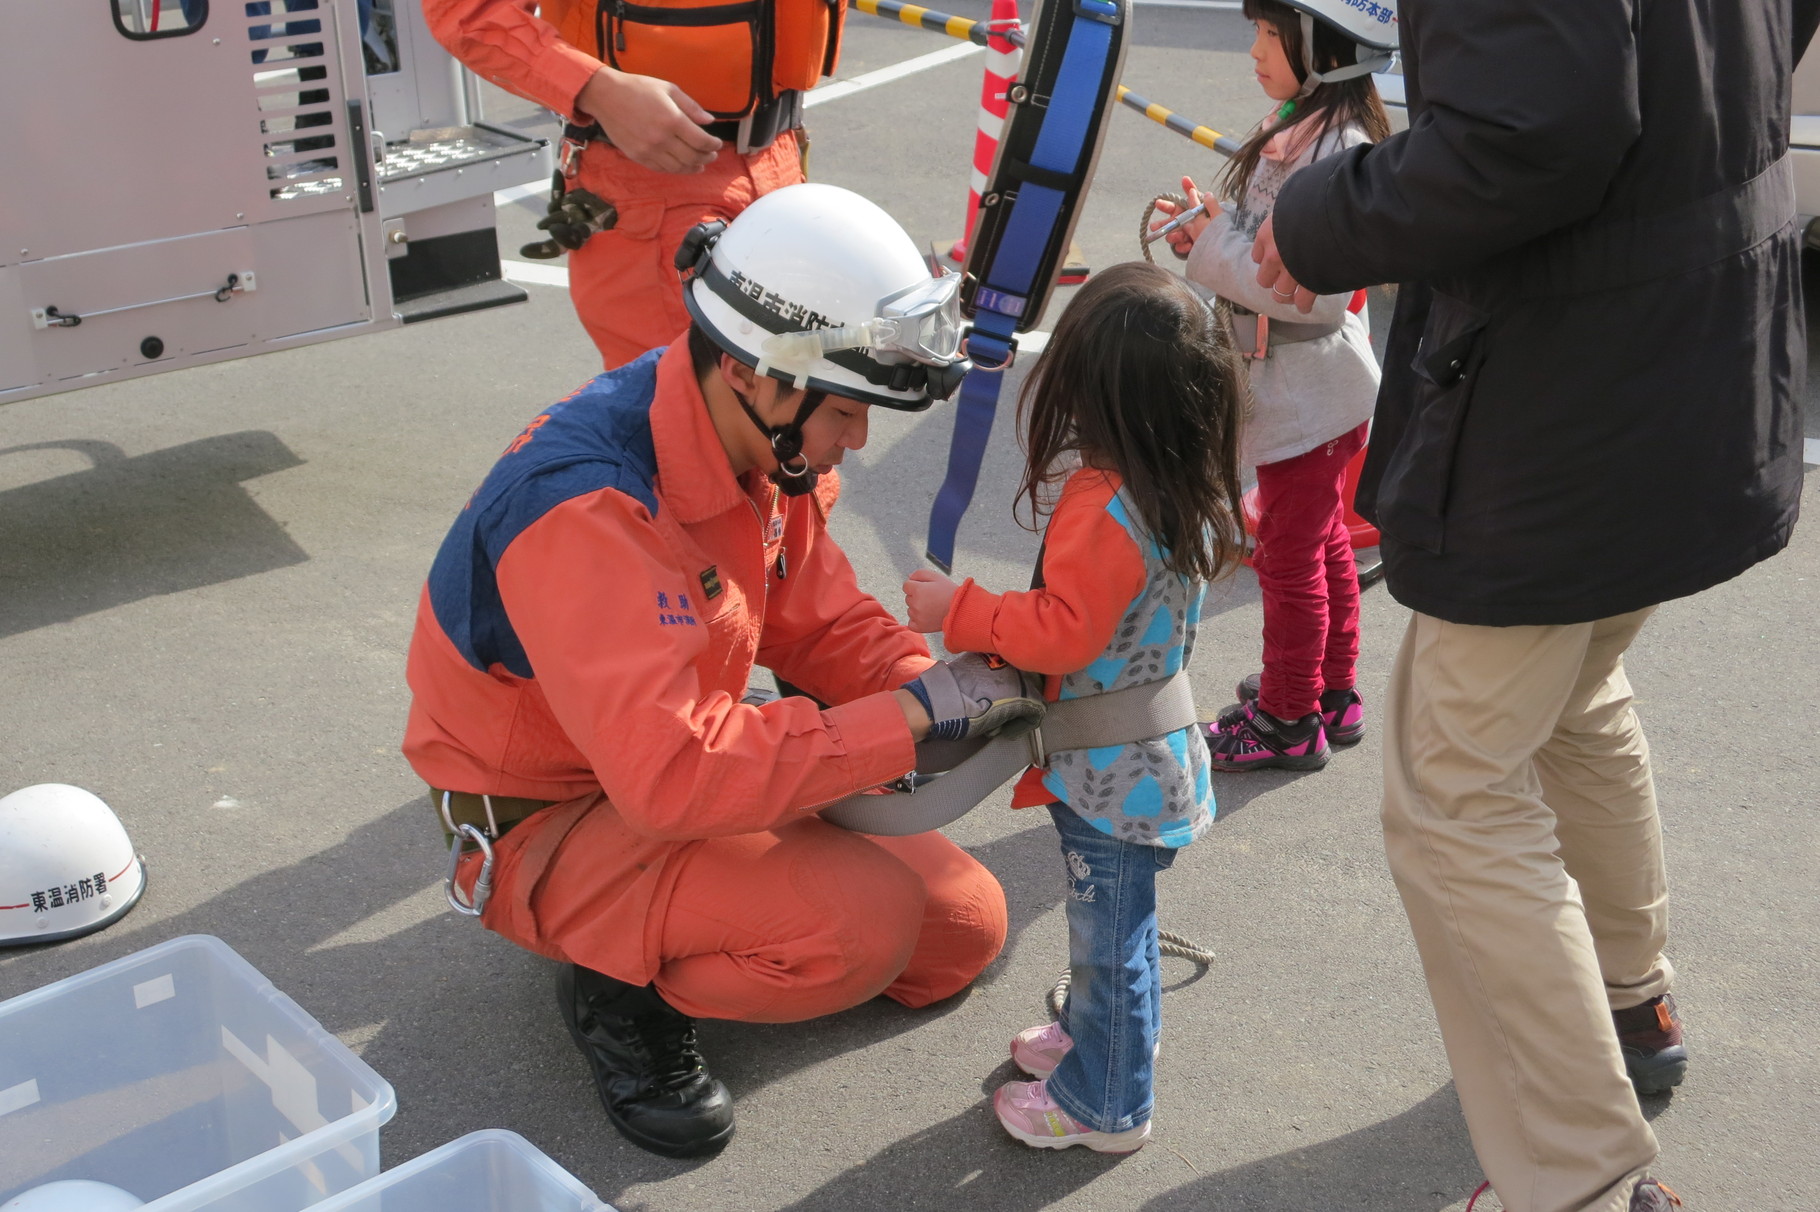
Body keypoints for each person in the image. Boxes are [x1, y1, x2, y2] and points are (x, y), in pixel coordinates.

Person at [1253, 1, 1818, 1208]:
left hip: (1568, 397)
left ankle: (1577, 1179)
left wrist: (1317, 215)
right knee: (1574, 694)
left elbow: (1527, 138)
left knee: (1452, 791)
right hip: (1700, 338)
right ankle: (1628, 997)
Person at [403, 183, 1039, 1158]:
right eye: (847, 409)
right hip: (553, 813)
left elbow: (817, 621)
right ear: (765, 377)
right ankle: (614, 976)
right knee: (859, 928)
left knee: (961, 929)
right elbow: (670, 776)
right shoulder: (586, 510)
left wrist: (950, 689)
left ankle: (679, 917)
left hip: (672, 756)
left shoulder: (753, 442)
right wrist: (909, 718)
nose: (859, 440)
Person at [901, 262, 1248, 1153]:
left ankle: (1105, 1101)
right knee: (1113, 931)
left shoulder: (1106, 502)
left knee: (1110, 942)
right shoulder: (1183, 484)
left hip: (1111, 776)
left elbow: (1060, 633)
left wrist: (961, 610)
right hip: (1146, 756)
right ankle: (1103, 1041)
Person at [1150, 0, 1389, 772]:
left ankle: (1287, 718)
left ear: (1323, 46)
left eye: (1269, 33)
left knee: (1290, 560)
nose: (1253, 47)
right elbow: (1265, 243)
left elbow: (1307, 290)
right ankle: (1330, 690)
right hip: (1314, 389)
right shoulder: (1304, 127)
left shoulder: (1336, 150)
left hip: (1308, 394)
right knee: (1318, 548)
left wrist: (1211, 244)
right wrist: (1214, 227)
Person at [421, 0, 842, 367]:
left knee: (791, 396)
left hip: (779, 163)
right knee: (684, 418)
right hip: (650, 176)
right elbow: (466, 12)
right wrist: (595, 88)